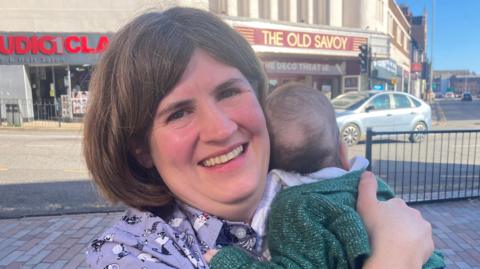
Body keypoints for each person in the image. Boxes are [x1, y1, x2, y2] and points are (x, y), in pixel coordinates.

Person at [84, 7, 434, 269]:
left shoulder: (337, 192)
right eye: (178, 113)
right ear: (141, 148)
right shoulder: (133, 253)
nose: (220, 129)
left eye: (229, 92)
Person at [204, 83, 444, 269]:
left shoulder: (296, 209)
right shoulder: (371, 185)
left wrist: (231, 261)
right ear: (342, 150)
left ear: (271, 166)